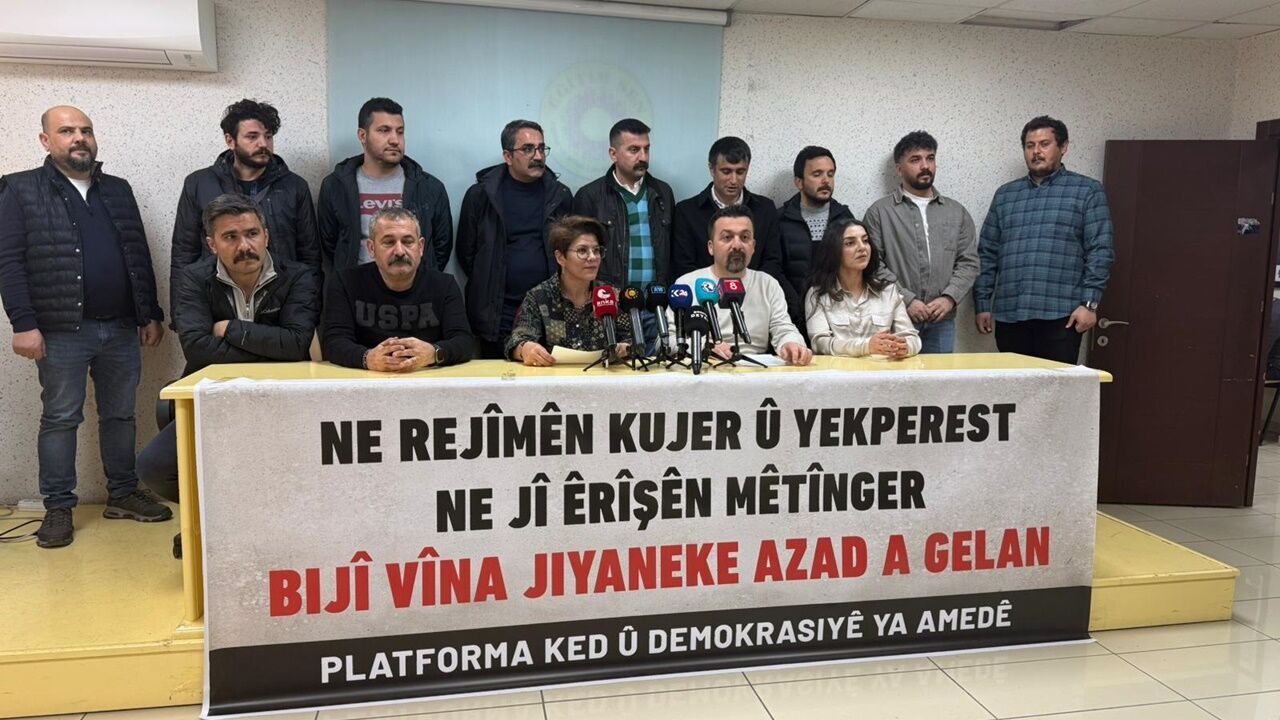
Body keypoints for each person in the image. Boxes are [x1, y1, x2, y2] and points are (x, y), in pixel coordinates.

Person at [0, 105, 170, 548]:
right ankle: (58, 507)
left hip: (121, 328)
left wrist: (149, 312)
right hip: (60, 331)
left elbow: (137, 253)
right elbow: (9, 262)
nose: (79, 137)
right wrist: (23, 323)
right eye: (67, 130)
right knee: (60, 418)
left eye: (86, 130)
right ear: (46, 140)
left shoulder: (117, 189)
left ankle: (123, 493)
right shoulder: (19, 189)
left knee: (121, 414)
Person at [137, 194, 320, 504]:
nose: (244, 246)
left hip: (283, 400)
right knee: (154, 467)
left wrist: (231, 329)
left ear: (266, 236)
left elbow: (297, 343)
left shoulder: (297, 276)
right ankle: (221, 515)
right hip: (214, 398)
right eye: (230, 237)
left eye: (252, 234)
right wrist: (273, 349)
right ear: (212, 244)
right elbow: (198, 349)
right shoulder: (193, 279)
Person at [974, 116, 1115, 363]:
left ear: (1063, 147)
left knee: (1056, 386)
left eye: (1044, 144)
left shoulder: (1086, 191)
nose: (1036, 151)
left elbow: (1100, 250)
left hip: (1061, 316)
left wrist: (1089, 304)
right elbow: (987, 252)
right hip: (1011, 315)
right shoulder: (1006, 195)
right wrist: (982, 303)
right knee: (1013, 385)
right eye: (1030, 145)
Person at [170, 99, 319, 318]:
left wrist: (310, 311)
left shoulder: (294, 186)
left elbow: (309, 255)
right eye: (252, 136)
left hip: (280, 308)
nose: (263, 144)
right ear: (230, 140)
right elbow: (184, 253)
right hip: (217, 305)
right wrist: (181, 314)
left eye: (268, 136)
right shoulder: (199, 184)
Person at [457, 119, 573, 358]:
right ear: (508, 156)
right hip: (498, 313)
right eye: (528, 149)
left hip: (549, 310)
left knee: (547, 372)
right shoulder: (481, 196)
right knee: (498, 377)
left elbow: (569, 252)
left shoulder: (560, 196)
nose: (538, 156)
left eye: (541, 148)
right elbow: (466, 253)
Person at [863, 131, 977, 353]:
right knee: (896, 375)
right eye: (915, 160)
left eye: (930, 158)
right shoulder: (880, 213)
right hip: (896, 317)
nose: (925, 166)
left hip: (942, 320)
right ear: (899, 169)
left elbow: (969, 262)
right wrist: (906, 299)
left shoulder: (957, 212)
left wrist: (949, 298)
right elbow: (872, 264)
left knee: (939, 375)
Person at [323, 207, 472, 371]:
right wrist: (367, 358)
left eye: (408, 242)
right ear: (371, 248)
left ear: (421, 247)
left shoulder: (445, 285)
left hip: (426, 377)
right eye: (389, 242)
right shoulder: (345, 283)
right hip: (366, 378)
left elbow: (464, 341)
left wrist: (433, 353)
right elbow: (333, 342)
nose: (400, 251)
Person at [318, 97, 453, 277]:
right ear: (362, 136)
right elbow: (330, 244)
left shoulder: (429, 188)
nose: (395, 140)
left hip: (413, 288)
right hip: (356, 286)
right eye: (384, 130)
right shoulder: (335, 186)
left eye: (400, 132)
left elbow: (441, 247)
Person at [670, 206, 811, 366]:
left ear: (753, 246)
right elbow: (668, 340)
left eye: (744, 237)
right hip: (704, 367)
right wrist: (703, 347)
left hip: (756, 368)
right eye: (727, 237)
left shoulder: (767, 283)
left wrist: (791, 343)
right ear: (711, 247)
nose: (737, 245)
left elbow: (783, 328)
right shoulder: (686, 284)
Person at [672, 137, 792, 311]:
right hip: (705, 303)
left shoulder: (765, 209)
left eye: (740, 172)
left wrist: (751, 292)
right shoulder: (687, 211)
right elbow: (684, 266)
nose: (734, 180)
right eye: (726, 171)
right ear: (712, 169)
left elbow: (772, 260)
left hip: (755, 300)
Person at [506, 215, 633, 365]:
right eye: (582, 251)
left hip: (603, 376)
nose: (592, 257)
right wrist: (525, 349)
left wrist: (626, 348)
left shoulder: (612, 296)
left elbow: (631, 339)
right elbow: (516, 341)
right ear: (560, 257)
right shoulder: (539, 297)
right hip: (555, 377)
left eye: (596, 250)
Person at [573, 118, 675, 288]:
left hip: (656, 299)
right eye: (634, 150)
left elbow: (671, 250)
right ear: (613, 154)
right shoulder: (590, 196)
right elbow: (579, 256)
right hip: (609, 299)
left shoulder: (663, 192)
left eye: (646, 149)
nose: (643, 157)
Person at [805, 218, 920, 359]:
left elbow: (912, 337)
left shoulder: (888, 290)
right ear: (834, 251)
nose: (862, 248)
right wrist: (866, 347)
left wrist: (904, 347)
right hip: (840, 370)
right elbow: (820, 343)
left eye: (865, 241)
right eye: (850, 243)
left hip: (882, 368)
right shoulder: (818, 294)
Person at [776, 145, 856, 329]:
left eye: (830, 174)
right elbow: (775, 270)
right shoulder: (781, 219)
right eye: (817, 174)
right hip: (792, 316)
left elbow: (854, 268)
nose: (826, 180)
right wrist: (795, 307)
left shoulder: (844, 218)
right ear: (799, 182)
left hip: (838, 317)